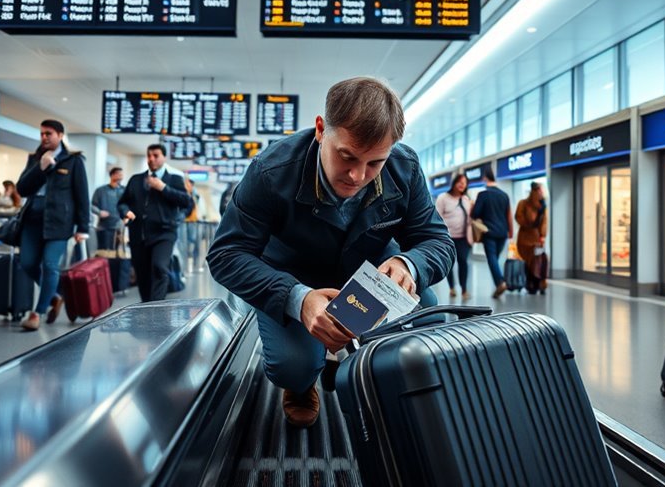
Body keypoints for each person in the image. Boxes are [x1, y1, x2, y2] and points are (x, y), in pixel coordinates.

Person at [207, 77, 454, 428]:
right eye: (347, 157)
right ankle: (301, 382)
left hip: (372, 274)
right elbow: (226, 254)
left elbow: (437, 241)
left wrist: (409, 264)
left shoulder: (405, 167)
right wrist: (297, 299)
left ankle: (381, 379)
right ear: (321, 129)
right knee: (293, 365)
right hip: (291, 276)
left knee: (430, 328)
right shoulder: (270, 172)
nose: (357, 176)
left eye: (375, 163)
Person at [15, 119, 89, 331]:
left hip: (59, 222)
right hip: (32, 220)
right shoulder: (35, 158)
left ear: (60, 135)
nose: (45, 137)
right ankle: (56, 296)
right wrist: (40, 167)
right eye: (42, 134)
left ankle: (37, 313)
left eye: (49, 133)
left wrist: (83, 227)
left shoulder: (74, 161)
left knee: (49, 265)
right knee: (28, 263)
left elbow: (81, 195)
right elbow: (22, 189)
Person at [118, 144, 193, 302]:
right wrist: (125, 212)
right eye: (149, 155)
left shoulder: (174, 179)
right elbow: (122, 202)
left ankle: (156, 305)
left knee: (159, 267)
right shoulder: (136, 180)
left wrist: (163, 188)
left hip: (164, 233)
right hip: (139, 234)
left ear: (164, 158)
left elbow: (186, 201)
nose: (151, 158)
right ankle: (147, 305)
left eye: (156, 155)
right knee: (142, 273)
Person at [470, 167, 513, 297]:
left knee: (492, 258)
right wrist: (511, 231)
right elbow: (508, 215)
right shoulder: (504, 195)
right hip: (502, 232)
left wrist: (472, 206)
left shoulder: (483, 195)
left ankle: (500, 282)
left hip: (489, 232)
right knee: (495, 257)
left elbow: (475, 213)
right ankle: (500, 282)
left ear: (485, 178)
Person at [435, 173, 473, 299]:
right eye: (460, 182)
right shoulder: (443, 198)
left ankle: (464, 289)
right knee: (450, 263)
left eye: (465, 182)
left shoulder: (466, 199)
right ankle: (451, 288)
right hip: (447, 237)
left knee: (463, 261)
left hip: (464, 238)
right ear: (454, 183)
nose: (462, 184)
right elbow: (437, 217)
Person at [515, 182, 548, 294]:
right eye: (539, 190)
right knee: (529, 260)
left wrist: (542, 235)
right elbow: (520, 218)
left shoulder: (542, 206)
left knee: (541, 258)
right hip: (525, 238)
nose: (541, 193)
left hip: (537, 238)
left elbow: (544, 222)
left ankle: (539, 282)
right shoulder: (523, 203)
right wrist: (531, 223)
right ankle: (531, 282)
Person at [91, 167, 125, 251]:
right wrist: (99, 212)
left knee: (115, 253)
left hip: (118, 227)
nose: (121, 177)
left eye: (122, 175)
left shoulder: (124, 190)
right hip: (103, 227)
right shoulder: (100, 190)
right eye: (119, 174)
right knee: (103, 251)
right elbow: (92, 206)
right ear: (112, 175)